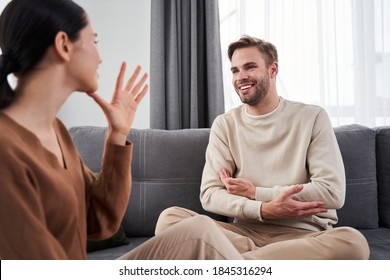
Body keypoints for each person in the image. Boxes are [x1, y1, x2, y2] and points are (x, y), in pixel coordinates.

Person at [0, 0, 243, 260]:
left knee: (199, 231)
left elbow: (100, 221)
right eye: (94, 41)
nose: (100, 56)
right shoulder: (7, 150)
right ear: (63, 45)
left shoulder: (56, 130)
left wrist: (117, 134)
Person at [155, 35, 370, 259]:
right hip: (243, 232)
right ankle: (262, 262)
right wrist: (263, 209)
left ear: (273, 69)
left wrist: (255, 193)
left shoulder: (312, 117)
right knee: (169, 220)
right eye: (235, 70)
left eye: (249, 67)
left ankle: (237, 262)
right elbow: (210, 194)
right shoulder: (225, 124)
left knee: (353, 243)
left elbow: (332, 192)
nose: (241, 77)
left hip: (302, 236)